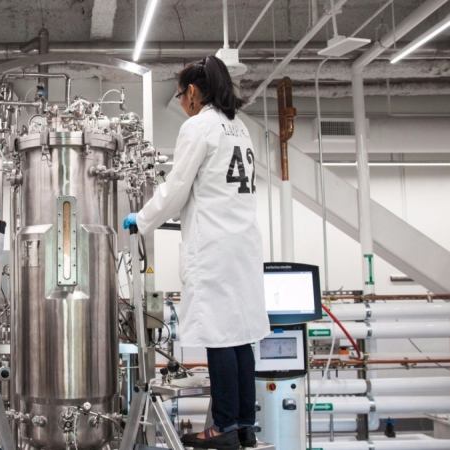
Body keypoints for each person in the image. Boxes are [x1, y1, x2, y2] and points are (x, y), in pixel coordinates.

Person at [122, 56, 270, 450]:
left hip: (214, 247)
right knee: (241, 337)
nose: (182, 103)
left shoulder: (198, 127)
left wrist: (141, 219)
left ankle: (222, 428)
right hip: (243, 245)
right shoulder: (240, 128)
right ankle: (245, 426)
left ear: (191, 91)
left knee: (220, 336)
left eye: (180, 96)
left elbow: (175, 189)